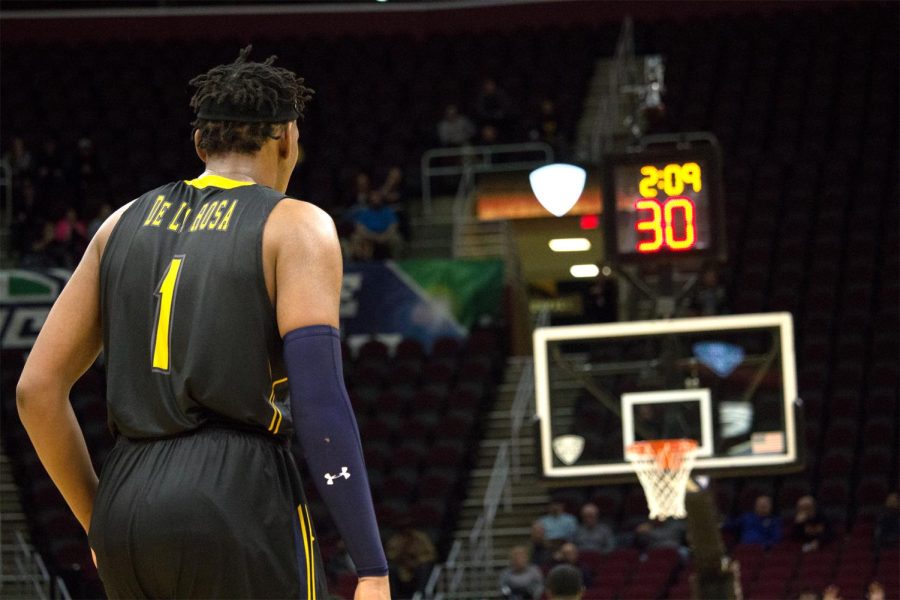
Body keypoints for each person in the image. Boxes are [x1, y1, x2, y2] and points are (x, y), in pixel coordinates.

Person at [16, 46, 390, 599]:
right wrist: (372, 565)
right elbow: (320, 401)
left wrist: (99, 517)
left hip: (125, 503)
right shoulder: (297, 225)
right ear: (287, 137)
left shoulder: (118, 224)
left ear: (200, 143)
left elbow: (35, 391)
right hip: (234, 493)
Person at [386, 518, 437, 598]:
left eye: (408, 527)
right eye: (403, 527)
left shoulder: (421, 538)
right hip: (402, 567)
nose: (406, 530)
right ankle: (393, 596)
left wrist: (417, 561)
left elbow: (431, 554)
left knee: (425, 568)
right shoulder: (395, 540)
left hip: (418, 565)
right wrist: (401, 552)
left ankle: (421, 594)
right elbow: (390, 556)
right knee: (390, 570)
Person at [350, 189, 402, 260]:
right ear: (370, 198)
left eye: (377, 197)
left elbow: (393, 226)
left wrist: (384, 236)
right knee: (356, 238)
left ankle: (396, 261)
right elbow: (359, 228)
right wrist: (374, 237)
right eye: (374, 197)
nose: (376, 199)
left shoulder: (388, 211)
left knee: (397, 239)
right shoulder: (364, 212)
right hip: (369, 235)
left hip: (385, 235)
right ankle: (361, 262)